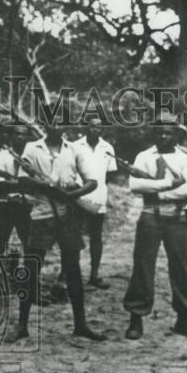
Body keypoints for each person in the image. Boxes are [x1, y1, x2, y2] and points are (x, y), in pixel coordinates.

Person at [3, 120, 106, 343]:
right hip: (40, 215)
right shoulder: (32, 148)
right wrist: (45, 186)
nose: (56, 126)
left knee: (73, 270)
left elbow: (92, 182)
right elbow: (22, 180)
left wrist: (69, 195)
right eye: (52, 121)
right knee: (31, 270)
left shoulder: (75, 150)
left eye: (61, 122)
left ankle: (81, 324)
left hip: (67, 215)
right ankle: (22, 326)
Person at [122, 115, 187, 340]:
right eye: (159, 132)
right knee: (142, 267)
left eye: (168, 132)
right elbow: (135, 185)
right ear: (153, 133)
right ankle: (136, 319)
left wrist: (158, 190)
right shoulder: (144, 156)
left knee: (180, 268)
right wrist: (168, 184)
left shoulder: (184, 158)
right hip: (150, 216)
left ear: (176, 134)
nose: (163, 136)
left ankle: (184, 319)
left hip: (176, 218)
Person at [72, 114, 118, 289]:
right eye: (92, 126)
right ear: (86, 127)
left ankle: (94, 275)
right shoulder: (75, 146)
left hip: (98, 198)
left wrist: (98, 190)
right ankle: (68, 273)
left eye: (99, 127)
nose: (96, 130)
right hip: (76, 197)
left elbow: (110, 174)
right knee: (73, 237)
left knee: (96, 237)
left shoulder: (108, 148)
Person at [0, 124, 33, 284]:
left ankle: (30, 282)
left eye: (24, 134)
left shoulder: (32, 155)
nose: (20, 137)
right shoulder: (1, 156)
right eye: (17, 134)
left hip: (26, 205)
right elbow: (0, 184)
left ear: (28, 137)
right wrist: (26, 183)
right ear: (11, 136)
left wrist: (22, 183)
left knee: (30, 244)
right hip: (3, 204)